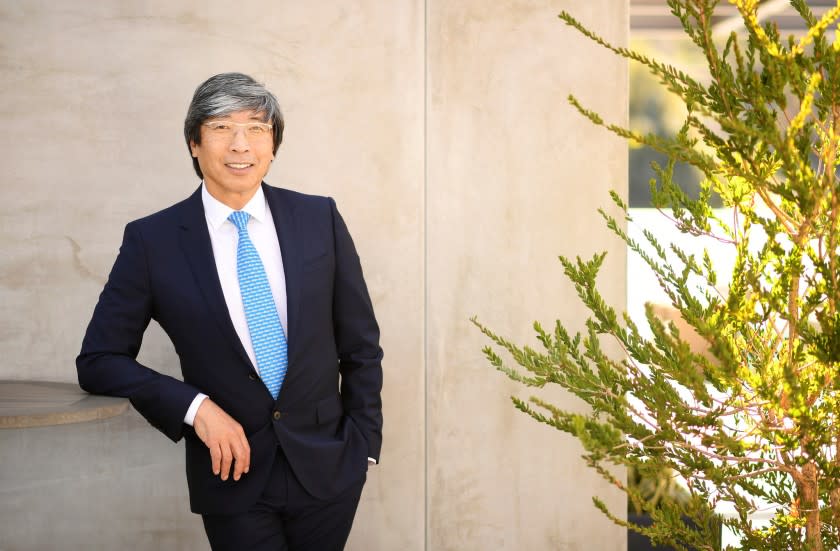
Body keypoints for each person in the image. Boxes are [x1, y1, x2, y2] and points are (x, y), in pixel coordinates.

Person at [76, 72, 383, 551]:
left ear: (273, 146)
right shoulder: (152, 241)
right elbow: (98, 359)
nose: (241, 144)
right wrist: (195, 409)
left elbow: (360, 344)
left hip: (329, 468)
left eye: (257, 128)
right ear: (195, 144)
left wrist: (363, 447)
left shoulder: (318, 218)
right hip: (231, 474)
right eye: (222, 127)